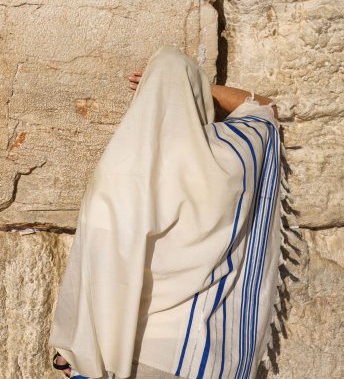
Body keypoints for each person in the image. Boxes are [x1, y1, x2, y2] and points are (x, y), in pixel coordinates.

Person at [49, 46, 282, 379]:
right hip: (204, 355)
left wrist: (77, 353)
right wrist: (202, 86)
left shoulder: (120, 176)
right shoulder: (233, 157)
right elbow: (266, 109)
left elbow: (98, 271)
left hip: (137, 354)